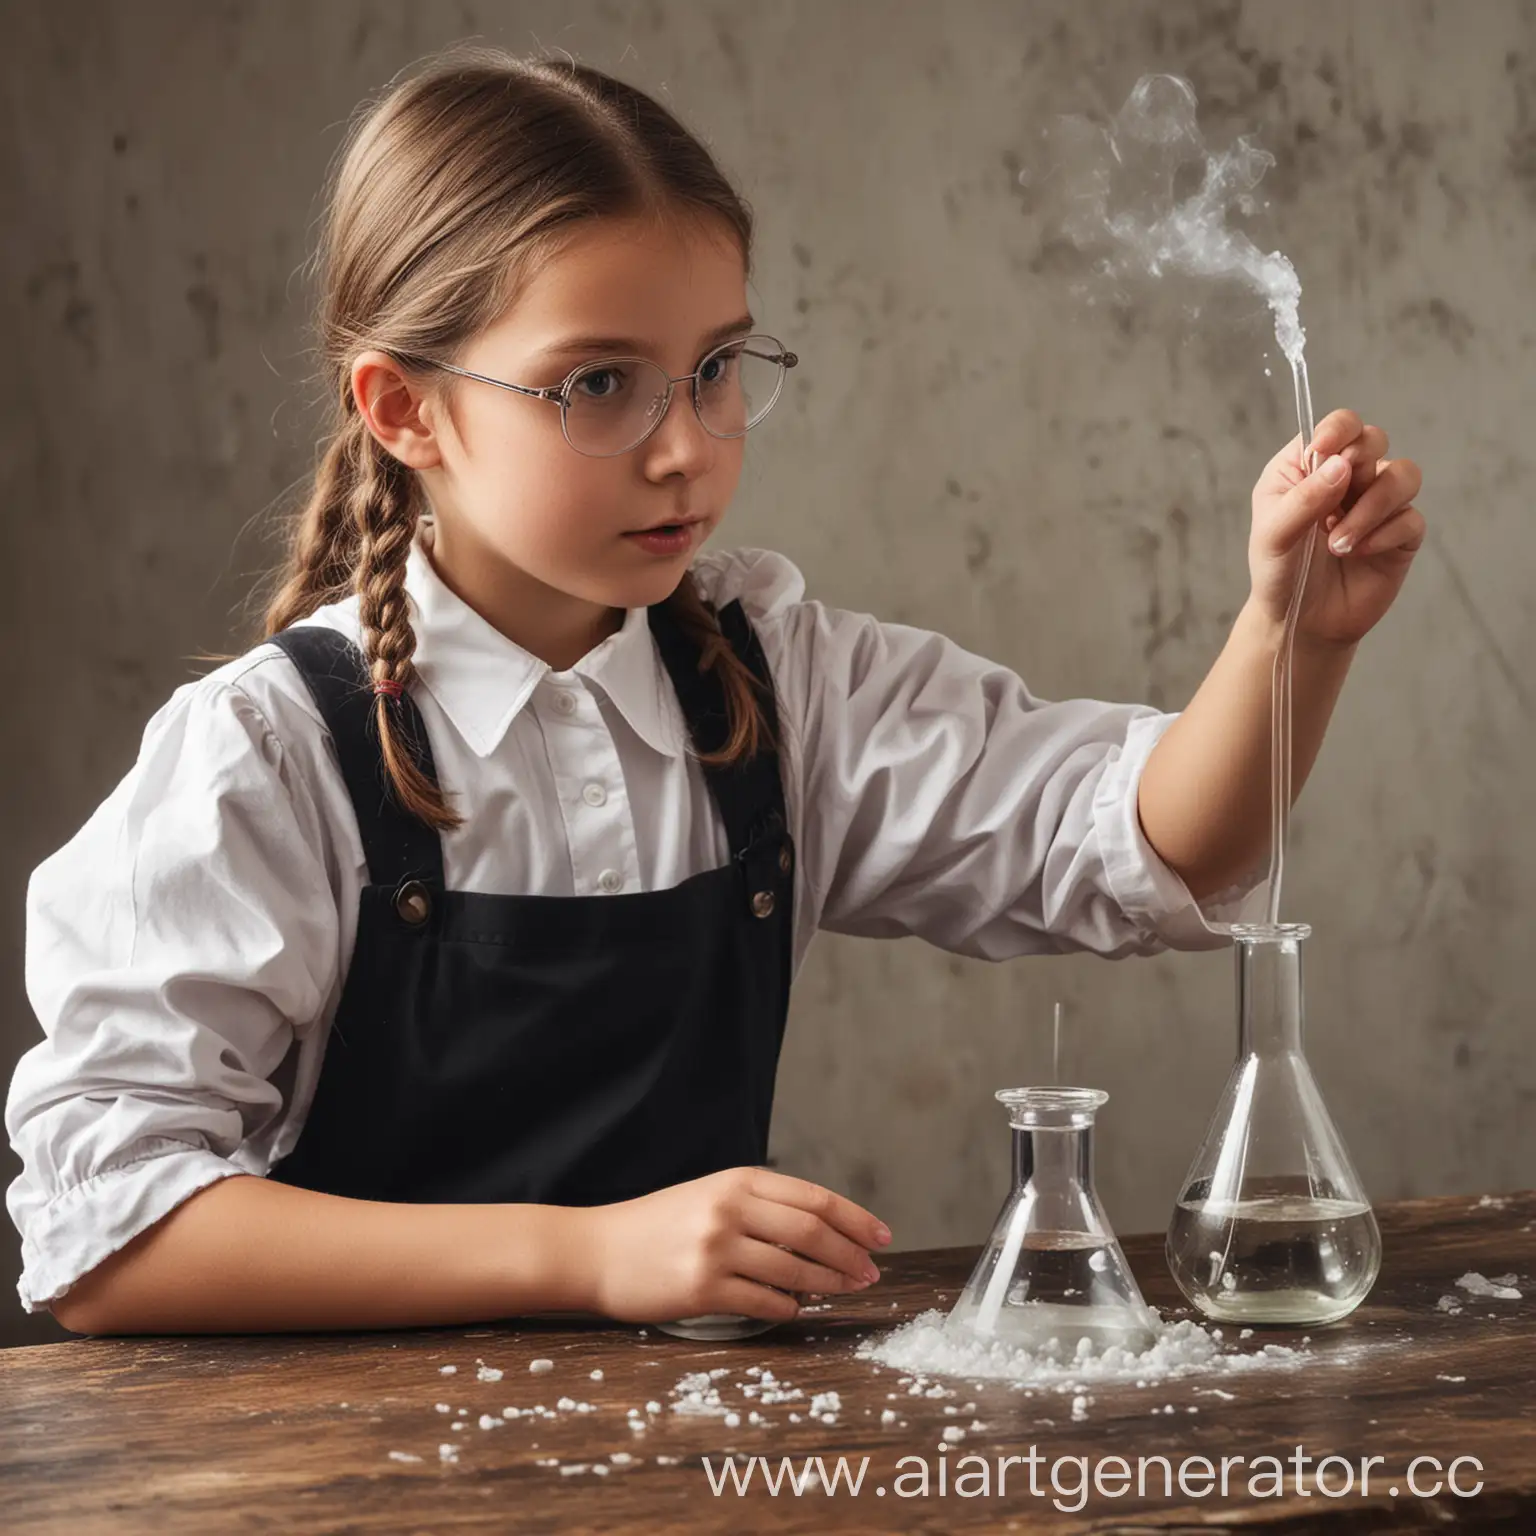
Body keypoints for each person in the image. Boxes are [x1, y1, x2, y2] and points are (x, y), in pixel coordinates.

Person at [6, 49, 1424, 1337]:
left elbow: (1157, 847)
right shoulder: (267, 757)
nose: (687, 447)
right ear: (404, 410)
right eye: (601, 385)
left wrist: (1291, 638)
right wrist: (589, 1257)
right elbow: (111, 1240)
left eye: (718, 369)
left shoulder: (777, 680)